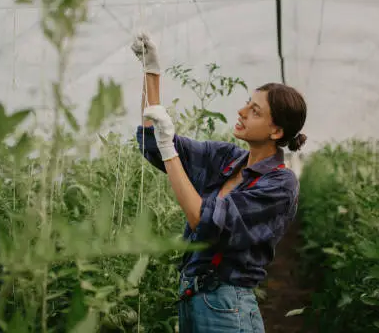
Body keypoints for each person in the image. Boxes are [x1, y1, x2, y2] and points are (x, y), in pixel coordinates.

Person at [131, 33, 307, 333]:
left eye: (255, 111)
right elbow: (154, 144)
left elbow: (204, 222)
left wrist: (168, 147)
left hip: (225, 305)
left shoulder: (281, 184)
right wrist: (151, 72)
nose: (241, 112)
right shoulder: (227, 158)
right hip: (194, 297)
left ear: (276, 131)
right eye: (247, 104)